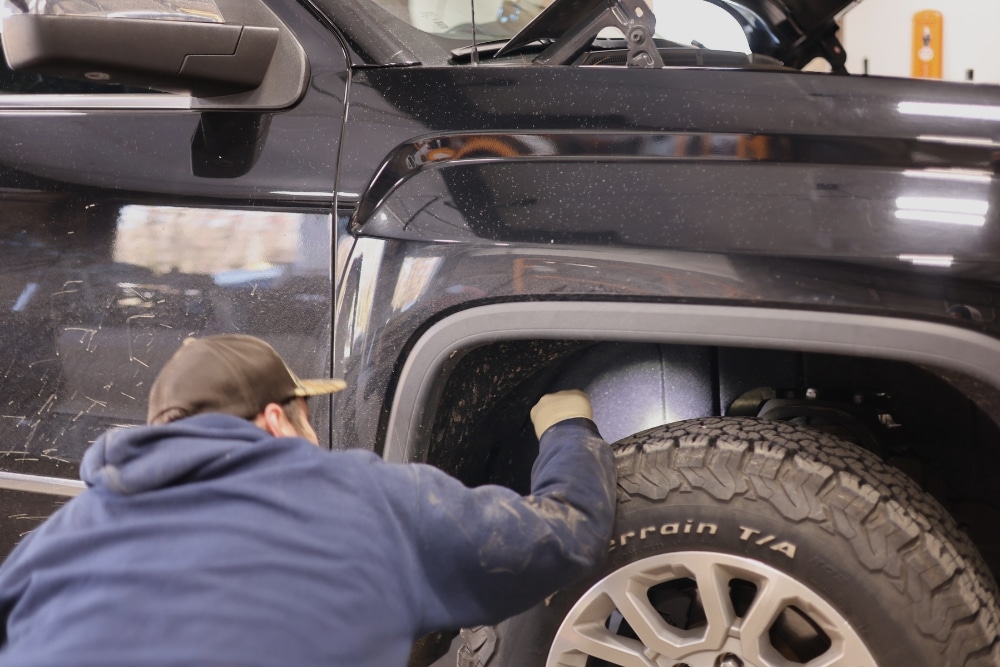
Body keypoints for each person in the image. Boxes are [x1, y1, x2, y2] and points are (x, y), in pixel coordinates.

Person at [0, 334, 616, 666]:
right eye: (307, 414)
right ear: (275, 419)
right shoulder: (369, 501)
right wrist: (568, 430)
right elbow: (565, 534)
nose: (318, 435)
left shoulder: (54, 544)